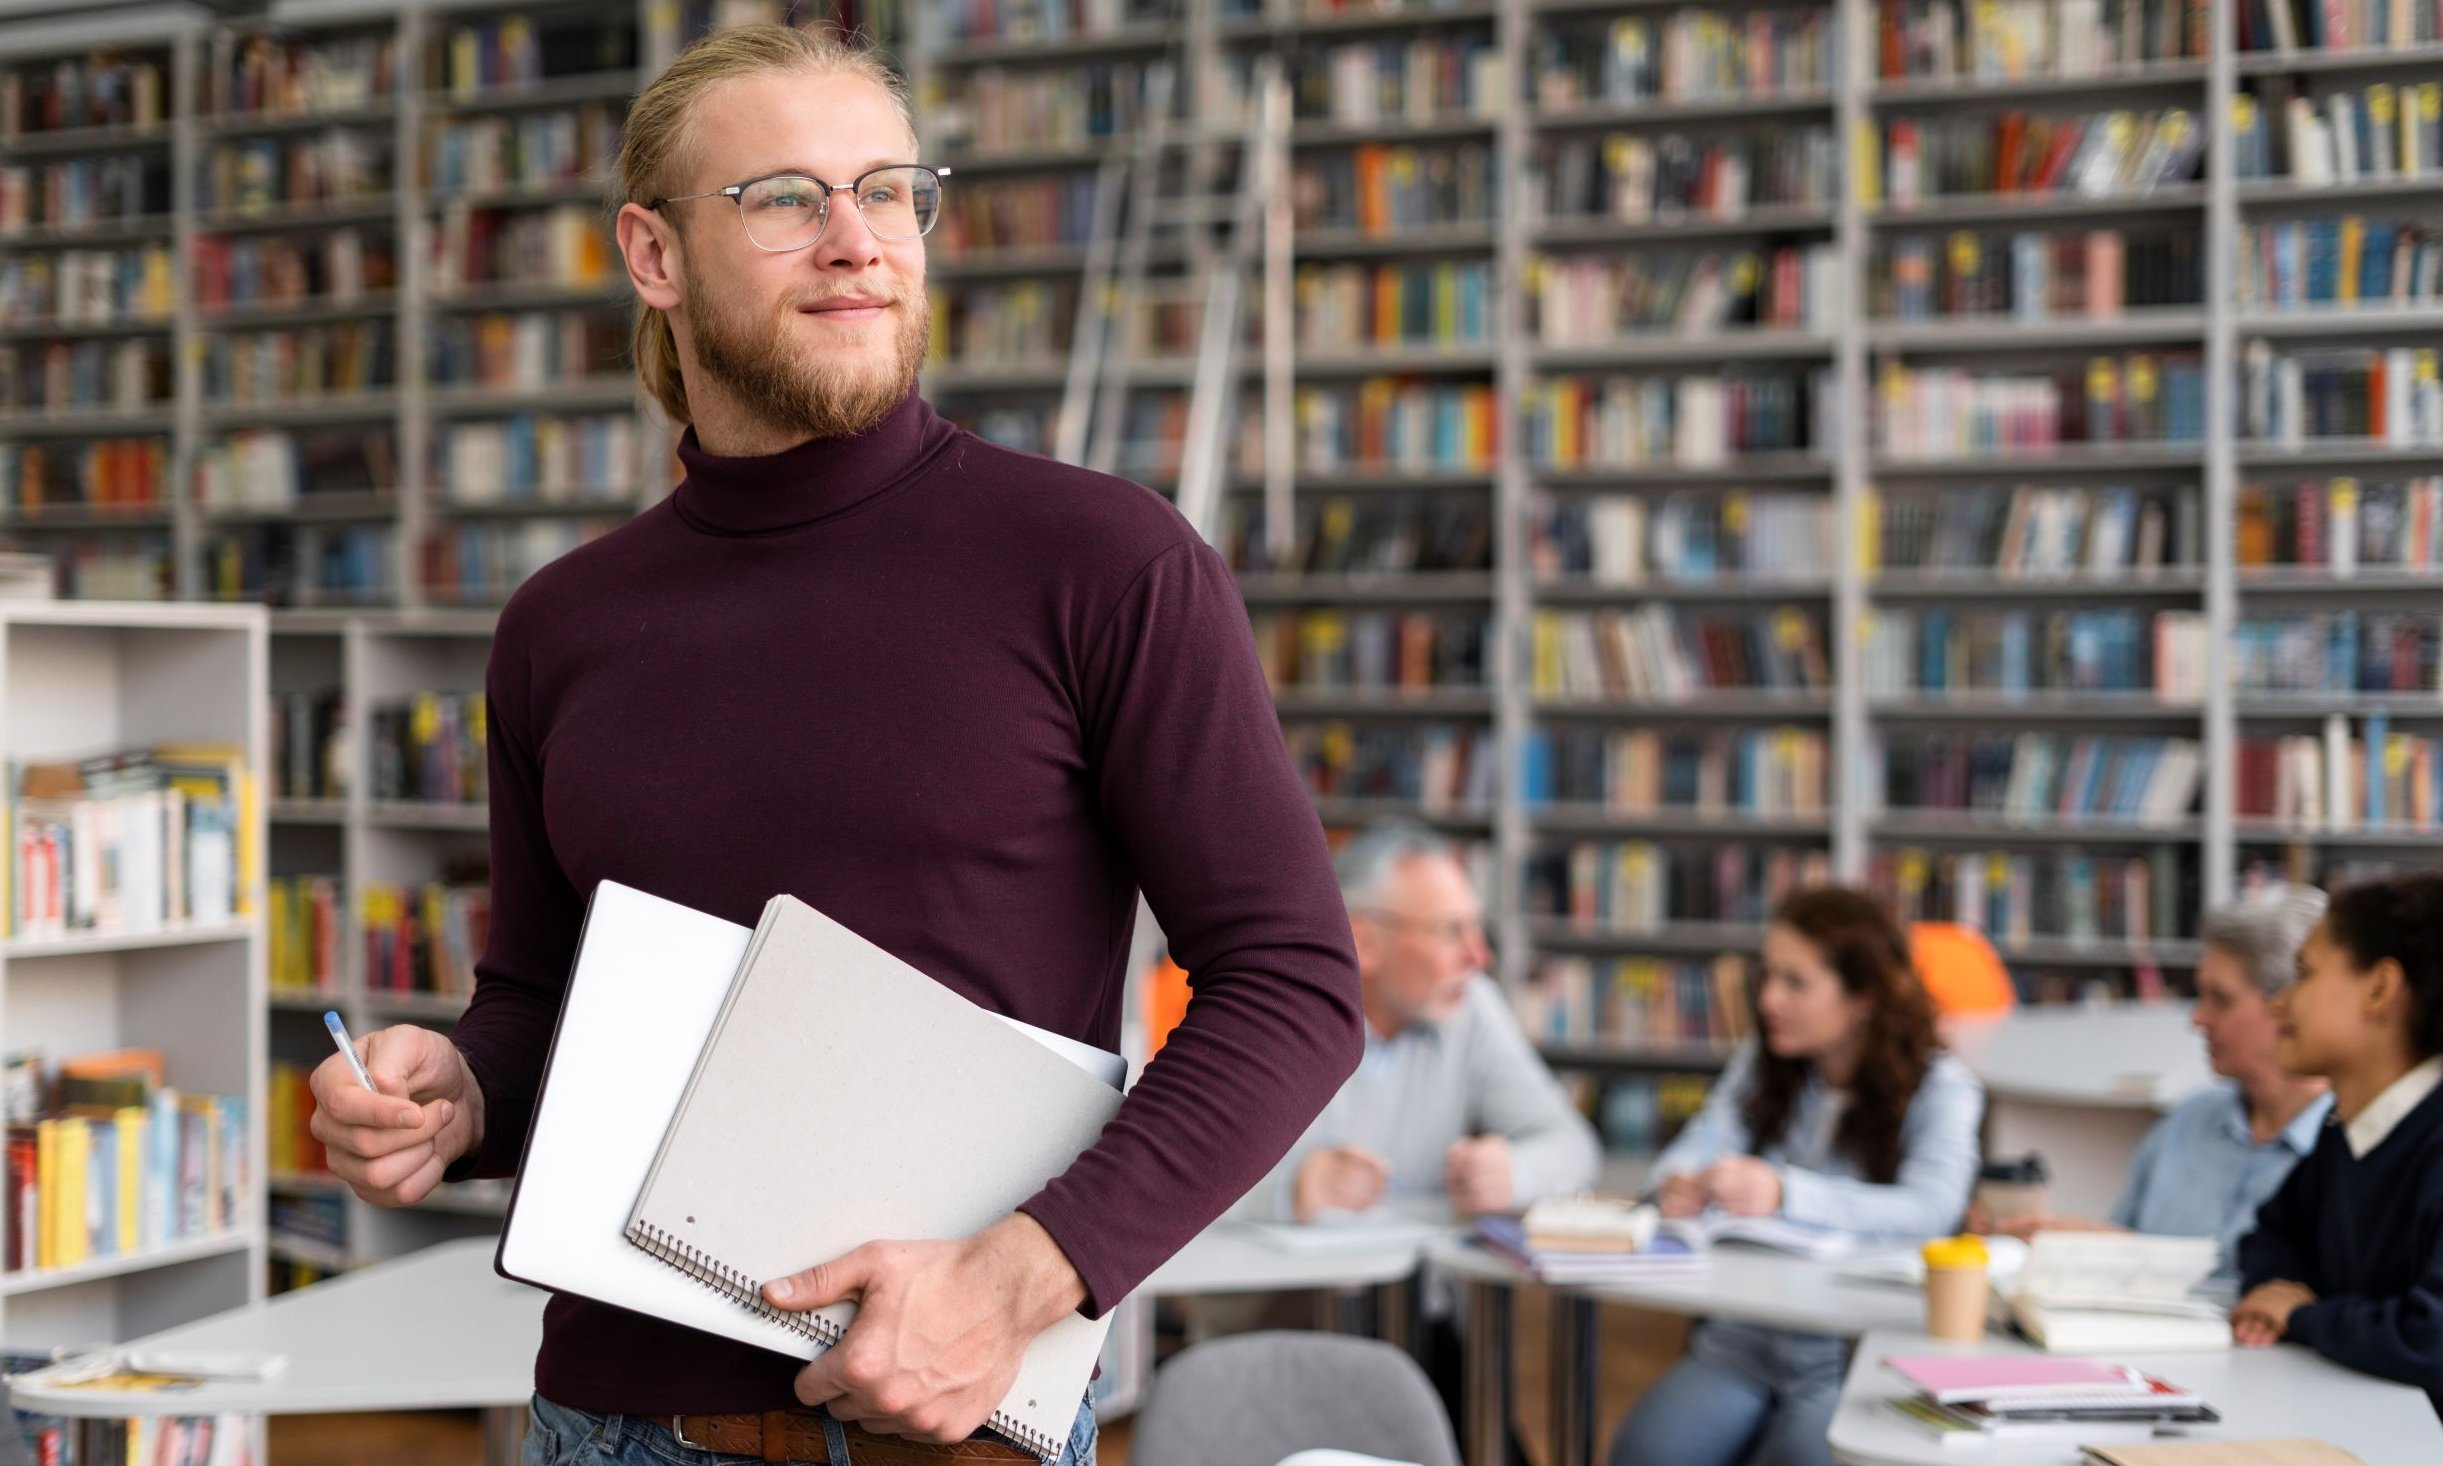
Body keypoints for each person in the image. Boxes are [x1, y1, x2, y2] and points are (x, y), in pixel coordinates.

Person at [303, 25, 1365, 1466]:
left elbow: (1293, 985)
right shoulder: (560, 626)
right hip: (604, 1422)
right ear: (654, 254)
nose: (858, 242)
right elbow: (547, 996)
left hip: (952, 1419)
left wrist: (1017, 1279)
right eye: (788, 198)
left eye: (887, 190)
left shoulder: (1103, 561)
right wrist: (464, 1090)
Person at [1605, 887, 1984, 1466]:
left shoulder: (1942, 1087)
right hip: (1741, 1338)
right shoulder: (1764, 1063)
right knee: (1645, 1452)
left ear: (1862, 998)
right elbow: (1693, 1147)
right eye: (1767, 976)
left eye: (1796, 982)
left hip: (1851, 1353)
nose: (1769, 999)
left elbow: (1934, 1207)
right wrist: (1675, 1184)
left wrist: (1786, 1193)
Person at [1238, 822, 1600, 1227]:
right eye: (1450, 932)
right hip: (1276, 1283)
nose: (1479, 957)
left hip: (1403, 1283)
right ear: (1365, 942)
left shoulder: (1469, 1005)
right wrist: (1289, 1192)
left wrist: (1515, 1172)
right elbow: (1173, 1173)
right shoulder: (1271, 1018)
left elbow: (1575, 1146)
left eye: (1476, 927)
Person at [1969, 883, 2332, 1277]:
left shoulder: (2346, 1150)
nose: (2197, 1018)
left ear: (2289, 1006)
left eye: (2220, 999)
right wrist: (2061, 1241)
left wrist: (2120, 1250)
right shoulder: (2186, 1122)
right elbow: (2126, 1251)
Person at [2234, 871, 2443, 1417]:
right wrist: (2279, 1288)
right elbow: (2273, 1234)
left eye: (2302, 974)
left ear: (2379, 989)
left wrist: (2303, 1317)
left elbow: (2433, 1338)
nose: (2278, 1005)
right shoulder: (2348, 1127)